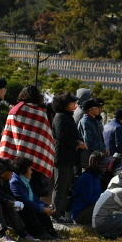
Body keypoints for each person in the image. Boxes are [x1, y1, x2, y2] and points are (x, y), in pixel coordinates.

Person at [0, 84, 56, 183]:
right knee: (33, 186)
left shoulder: (14, 111)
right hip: (35, 160)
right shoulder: (40, 114)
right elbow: (46, 138)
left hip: (14, 159)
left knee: (16, 184)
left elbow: (8, 135)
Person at [50, 92, 85, 221]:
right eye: (72, 102)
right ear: (65, 105)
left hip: (69, 157)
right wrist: (77, 143)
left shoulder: (67, 116)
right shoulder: (60, 117)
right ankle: (55, 213)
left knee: (65, 187)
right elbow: (62, 136)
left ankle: (61, 212)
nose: (74, 104)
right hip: (61, 157)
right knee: (60, 186)